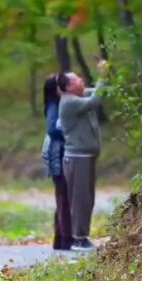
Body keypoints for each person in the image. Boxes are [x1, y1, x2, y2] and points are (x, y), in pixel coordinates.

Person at [57, 65, 104, 251]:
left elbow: (98, 92)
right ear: (68, 87)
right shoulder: (69, 102)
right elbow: (95, 100)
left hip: (85, 156)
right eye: (76, 79)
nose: (81, 80)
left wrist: (106, 78)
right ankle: (78, 239)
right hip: (77, 158)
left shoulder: (79, 96)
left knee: (87, 198)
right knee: (80, 199)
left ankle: (81, 236)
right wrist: (102, 76)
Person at [41, 75, 72, 251]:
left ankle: (61, 237)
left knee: (63, 196)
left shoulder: (59, 104)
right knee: (64, 196)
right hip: (57, 154)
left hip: (59, 152)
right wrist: (70, 136)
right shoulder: (54, 106)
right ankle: (66, 238)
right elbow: (52, 129)